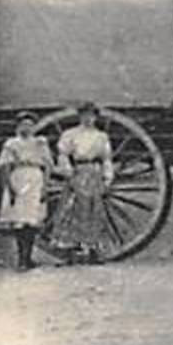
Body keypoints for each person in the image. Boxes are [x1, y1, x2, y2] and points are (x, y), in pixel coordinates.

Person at [50, 102, 115, 263]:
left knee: (95, 210)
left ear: (95, 117)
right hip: (78, 171)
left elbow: (107, 158)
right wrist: (68, 171)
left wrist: (107, 177)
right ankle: (71, 251)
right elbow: (63, 154)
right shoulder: (70, 134)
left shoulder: (101, 136)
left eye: (91, 115)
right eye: (85, 115)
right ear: (80, 116)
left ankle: (92, 250)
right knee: (74, 210)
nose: (88, 119)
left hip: (94, 172)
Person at [0, 112, 55, 271]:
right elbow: (5, 167)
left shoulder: (40, 143)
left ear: (34, 127)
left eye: (30, 125)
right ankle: (21, 259)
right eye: (23, 125)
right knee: (19, 221)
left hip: (35, 179)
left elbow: (48, 166)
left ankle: (28, 258)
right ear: (18, 126)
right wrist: (9, 187)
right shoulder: (11, 144)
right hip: (19, 178)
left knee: (32, 221)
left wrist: (45, 186)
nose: (27, 128)